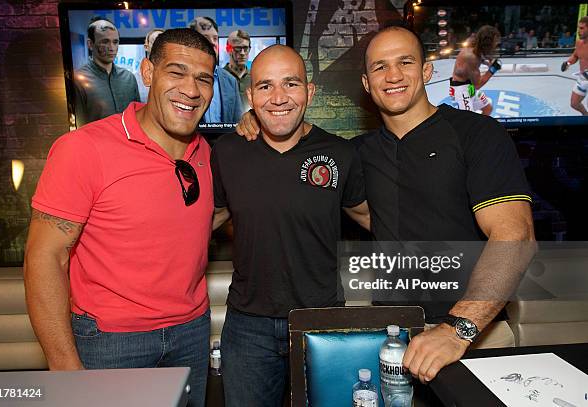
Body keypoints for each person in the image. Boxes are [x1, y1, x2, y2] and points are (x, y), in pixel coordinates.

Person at [236, 25, 535, 385]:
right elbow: (302, 150)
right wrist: (257, 119)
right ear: (365, 83)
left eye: (405, 62)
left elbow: (515, 235)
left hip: (473, 332)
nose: (392, 75)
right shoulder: (357, 154)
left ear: (426, 71)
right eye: (380, 67)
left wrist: (458, 329)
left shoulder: (477, 135)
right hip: (392, 337)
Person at [24, 29, 216, 407]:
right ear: (147, 72)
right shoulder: (83, 149)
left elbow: (189, 221)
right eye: (176, 72)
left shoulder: (204, 151)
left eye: (203, 78)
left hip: (192, 332)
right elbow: (44, 258)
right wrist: (63, 365)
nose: (191, 90)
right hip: (111, 341)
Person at [211, 45, 369, 407]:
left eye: (290, 84)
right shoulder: (228, 151)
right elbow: (208, 219)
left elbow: (369, 217)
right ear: (250, 95)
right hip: (248, 327)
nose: (278, 98)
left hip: (322, 322)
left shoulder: (341, 154)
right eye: (265, 86)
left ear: (309, 92)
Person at [73, 17, 140, 127]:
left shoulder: (129, 78)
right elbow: (78, 127)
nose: (112, 48)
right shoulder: (78, 80)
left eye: (115, 42)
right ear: (90, 44)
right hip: (95, 142)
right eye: (105, 42)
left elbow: (138, 117)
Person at [189, 16, 243, 124]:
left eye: (215, 38)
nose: (213, 43)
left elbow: (239, 123)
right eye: (205, 38)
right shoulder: (180, 78)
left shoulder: (231, 81)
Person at [449, 25, 502, 115]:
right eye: (494, 44)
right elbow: (478, 84)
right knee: (469, 120)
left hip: (469, 86)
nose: (495, 47)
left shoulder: (475, 45)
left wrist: (487, 61)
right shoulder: (471, 58)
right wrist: (492, 69)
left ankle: (480, 128)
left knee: (488, 109)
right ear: (487, 45)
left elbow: (480, 55)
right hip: (461, 90)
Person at [560, 16, 588, 116]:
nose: (579, 31)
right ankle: (585, 115)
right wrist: (567, 63)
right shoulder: (579, 42)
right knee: (574, 103)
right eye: (578, 28)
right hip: (583, 77)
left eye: (582, 28)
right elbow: (575, 55)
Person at [224, 29, 252, 112]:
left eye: (245, 48)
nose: (242, 53)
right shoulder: (219, 78)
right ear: (228, 49)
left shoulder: (255, 77)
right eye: (238, 48)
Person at [137, 28, 164, 102]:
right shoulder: (135, 79)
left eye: (163, 43)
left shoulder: (175, 75)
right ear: (146, 47)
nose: (160, 46)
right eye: (155, 42)